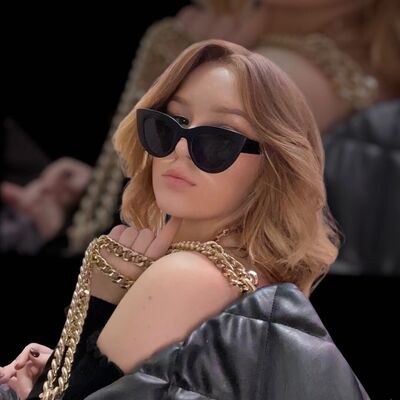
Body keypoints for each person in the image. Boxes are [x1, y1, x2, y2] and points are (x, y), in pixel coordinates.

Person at [1, 39, 369, 400]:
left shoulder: (186, 275)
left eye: (220, 137)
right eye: (173, 121)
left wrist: (102, 300)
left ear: (273, 165)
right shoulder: (252, 274)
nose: (179, 147)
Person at [3, 0, 399, 259]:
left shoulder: (286, 69)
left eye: (219, 135)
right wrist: (95, 196)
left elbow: (187, 234)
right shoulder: (341, 52)